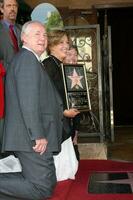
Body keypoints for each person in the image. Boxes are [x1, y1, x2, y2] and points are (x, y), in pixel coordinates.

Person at [0, 21, 64, 200]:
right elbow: (28, 102)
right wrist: (38, 135)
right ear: (24, 38)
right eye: (37, 34)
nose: (42, 38)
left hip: (31, 136)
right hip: (31, 138)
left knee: (45, 183)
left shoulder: (30, 60)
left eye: (44, 35)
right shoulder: (27, 60)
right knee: (42, 187)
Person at [43, 30, 79, 181]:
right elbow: (46, 97)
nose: (66, 45)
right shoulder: (49, 65)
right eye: (61, 42)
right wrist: (64, 112)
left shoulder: (58, 65)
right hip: (55, 121)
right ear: (51, 45)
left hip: (62, 119)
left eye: (67, 42)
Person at [0, 0, 21, 156]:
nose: (12, 9)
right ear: (1, 8)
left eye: (14, 6)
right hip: (3, 81)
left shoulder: (21, 30)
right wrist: (11, 68)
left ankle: (16, 150)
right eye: (9, 6)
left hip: (22, 83)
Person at [64, 45, 80, 161]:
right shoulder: (59, 73)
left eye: (75, 55)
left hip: (73, 120)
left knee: (75, 159)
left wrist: (76, 133)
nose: (73, 58)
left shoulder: (78, 75)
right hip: (61, 120)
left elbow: (78, 106)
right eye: (69, 54)